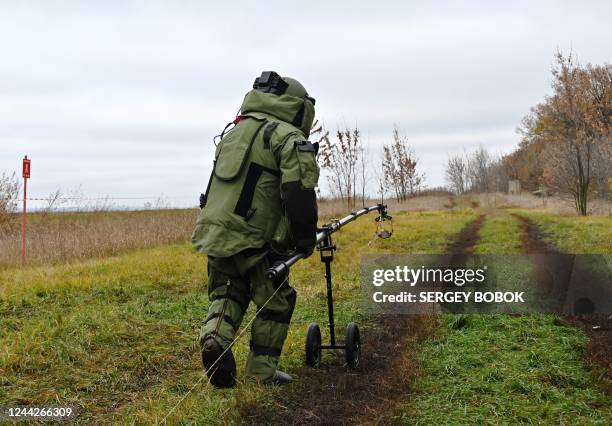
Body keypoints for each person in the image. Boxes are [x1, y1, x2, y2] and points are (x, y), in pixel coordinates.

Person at [192, 71, 320, 388]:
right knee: (275, 300)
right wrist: (304, 240)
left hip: (216, 232)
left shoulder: (233, 133)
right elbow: (298, 192)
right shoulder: (288, 138)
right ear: (297, 106)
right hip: (258, 239)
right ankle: (261, 372)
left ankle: (214, 339)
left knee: (227, 292)